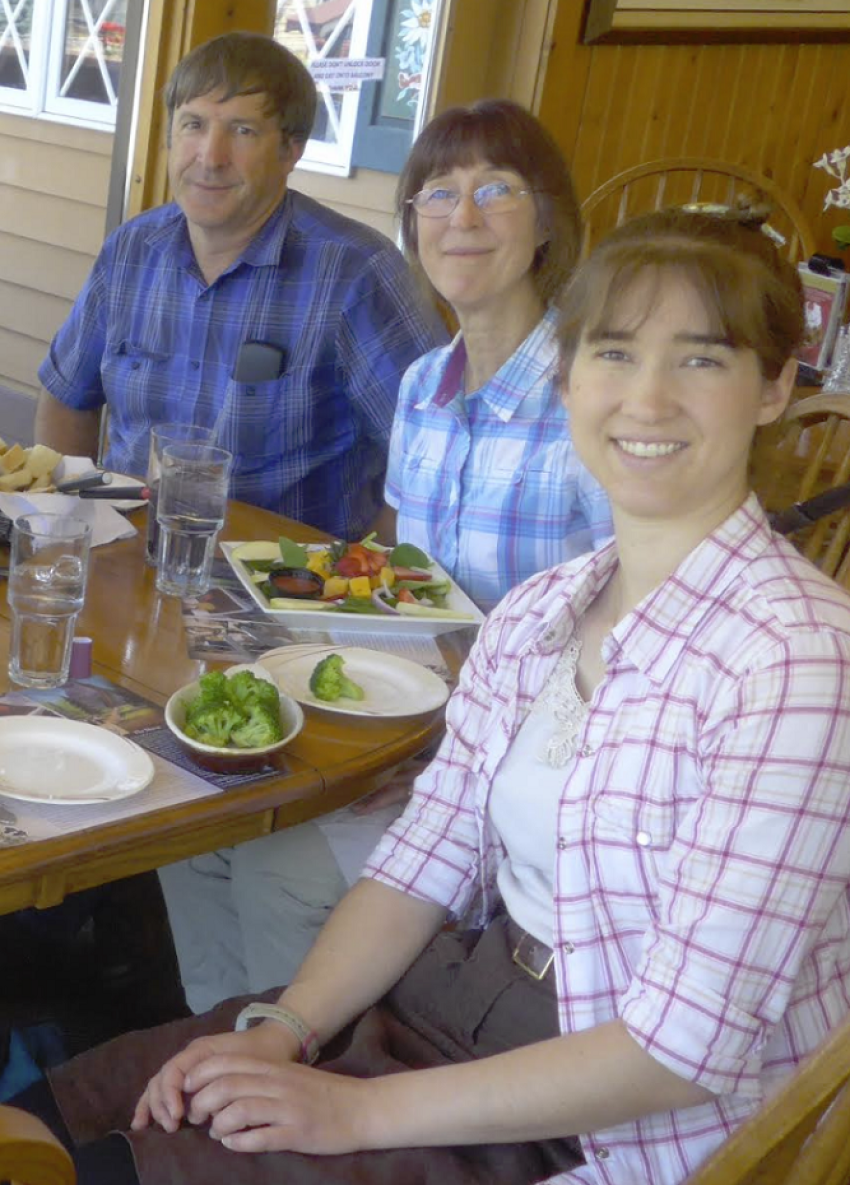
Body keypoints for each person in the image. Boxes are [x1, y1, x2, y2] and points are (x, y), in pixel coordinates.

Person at [16, 205, 850, 1185]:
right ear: (569, 377)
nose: (648, 398)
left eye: (701, 359)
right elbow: (429, 852)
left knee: (113, 1167)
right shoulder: (544, 609)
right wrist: (286, 1027)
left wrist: (350, 1106)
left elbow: (680, 1049)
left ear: (772, 385)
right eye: (613, 353)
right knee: (51, 1120)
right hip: (458, 1001)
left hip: (615, 1118)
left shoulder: (797, 662)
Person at [158, 100, 613, 1012]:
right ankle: (215, 1055)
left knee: (275, 863)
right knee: (191, 833)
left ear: (549, 219)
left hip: (540, 768)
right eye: (436, 194)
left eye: (495, 190)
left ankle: (303, 1067)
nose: (463, 217)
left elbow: (627, 636)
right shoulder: (423, 385)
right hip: (416, 734)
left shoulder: (594, 393)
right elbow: (404, 596)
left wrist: (438, 753)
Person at [34, 31, 445, 539]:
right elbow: (67, 396)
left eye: (244, 131)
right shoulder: (131, 251)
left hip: (282, 594)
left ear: (291, 150)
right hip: (128, 560)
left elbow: (433, 459)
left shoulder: (356, 272)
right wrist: (77, 529)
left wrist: (356, 586)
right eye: (193, 125)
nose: (210, 156)